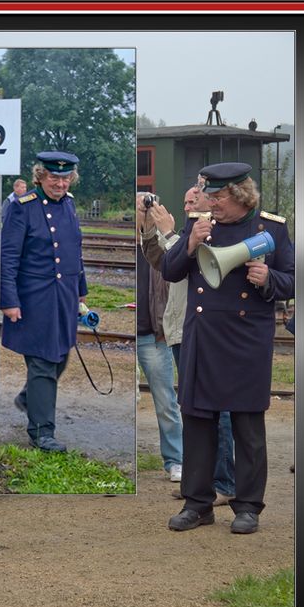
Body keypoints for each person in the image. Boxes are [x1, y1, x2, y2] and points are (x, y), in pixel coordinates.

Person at [161, 163, 294, 534]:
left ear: (239, 195)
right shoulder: (200, 224)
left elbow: (297, 278)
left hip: (246, 339)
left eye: (217, 197)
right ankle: (198, 504)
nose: (210, 202)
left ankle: (248, 506)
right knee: (198, 422)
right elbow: (170, 272)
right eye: (209, 195)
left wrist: (270, 280)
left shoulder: (273, 228)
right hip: (203, 337)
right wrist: (189, 243)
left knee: (247, 426)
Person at [142, 185, 235, 505]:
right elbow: (162, 264)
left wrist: (169, 233)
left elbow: (193, 261)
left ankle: (224, 483)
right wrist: (149, 228)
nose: (188, 204)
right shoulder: (184, 233)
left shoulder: (214, 234)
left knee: (216, 409)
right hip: (180, 329)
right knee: (194, 410)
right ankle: (201, 484)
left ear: (211, 202)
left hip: (202, 331)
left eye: (195, 199)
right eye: (184, 201)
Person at [0, 152, 87, 453]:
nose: (60, 183)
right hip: (34, 298)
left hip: (63, 296)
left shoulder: (70, 205)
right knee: (44, 361)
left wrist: (80, 290)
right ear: (40, 176)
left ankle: (28, 398)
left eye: (65, 178)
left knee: (61, 356)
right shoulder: (22, 208)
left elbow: (75, 249)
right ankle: (42, 432)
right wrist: (9, 300)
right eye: (54, 177)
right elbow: (8, 257)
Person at [135, 193, 183, 483]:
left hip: (152, 334)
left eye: (148, 206)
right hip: (131, 334)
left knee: (166, 401)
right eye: (140, 206)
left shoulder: (159, 245)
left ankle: (175, 460)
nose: (144, 211)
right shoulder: (124, 243)